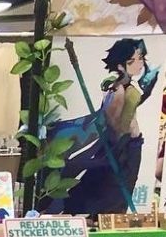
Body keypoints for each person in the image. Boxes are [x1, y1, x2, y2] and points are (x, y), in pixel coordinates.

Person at [43, 37, 159, 215]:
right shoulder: (117, 90)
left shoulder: (129, 88)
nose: (139, 64)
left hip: (127, 146)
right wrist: (125, 137)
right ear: (121, 65)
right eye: (132, 61)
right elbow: (114, 122)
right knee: (109, 195)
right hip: (116, 148)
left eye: (141, 58)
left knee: (116, 195)